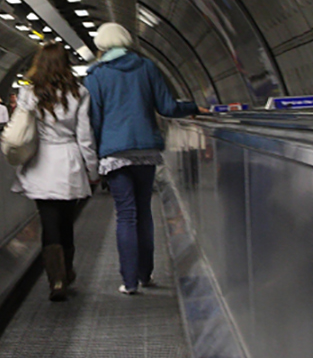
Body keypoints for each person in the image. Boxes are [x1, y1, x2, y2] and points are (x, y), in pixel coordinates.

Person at [84, 22, 201, 295]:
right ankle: (146, 273)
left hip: (114, 151)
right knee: (144, 212)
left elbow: (95, 120)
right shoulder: (147, 67)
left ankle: (129, 281)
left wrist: (97, 155)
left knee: (126, 215)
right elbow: (168, 107)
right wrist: (194, 107)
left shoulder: (96, 76)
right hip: (146, 149)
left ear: (101, 45)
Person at [12, 44, 97, 301]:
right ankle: (67, 269)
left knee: (48, 222)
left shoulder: (29, 93)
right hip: (69, 160)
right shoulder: (79, 93)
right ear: (65, 63)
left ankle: (56, 279)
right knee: (66, 221)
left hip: (41, 162)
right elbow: (85, 137)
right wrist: (92, 169)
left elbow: (21, 128)